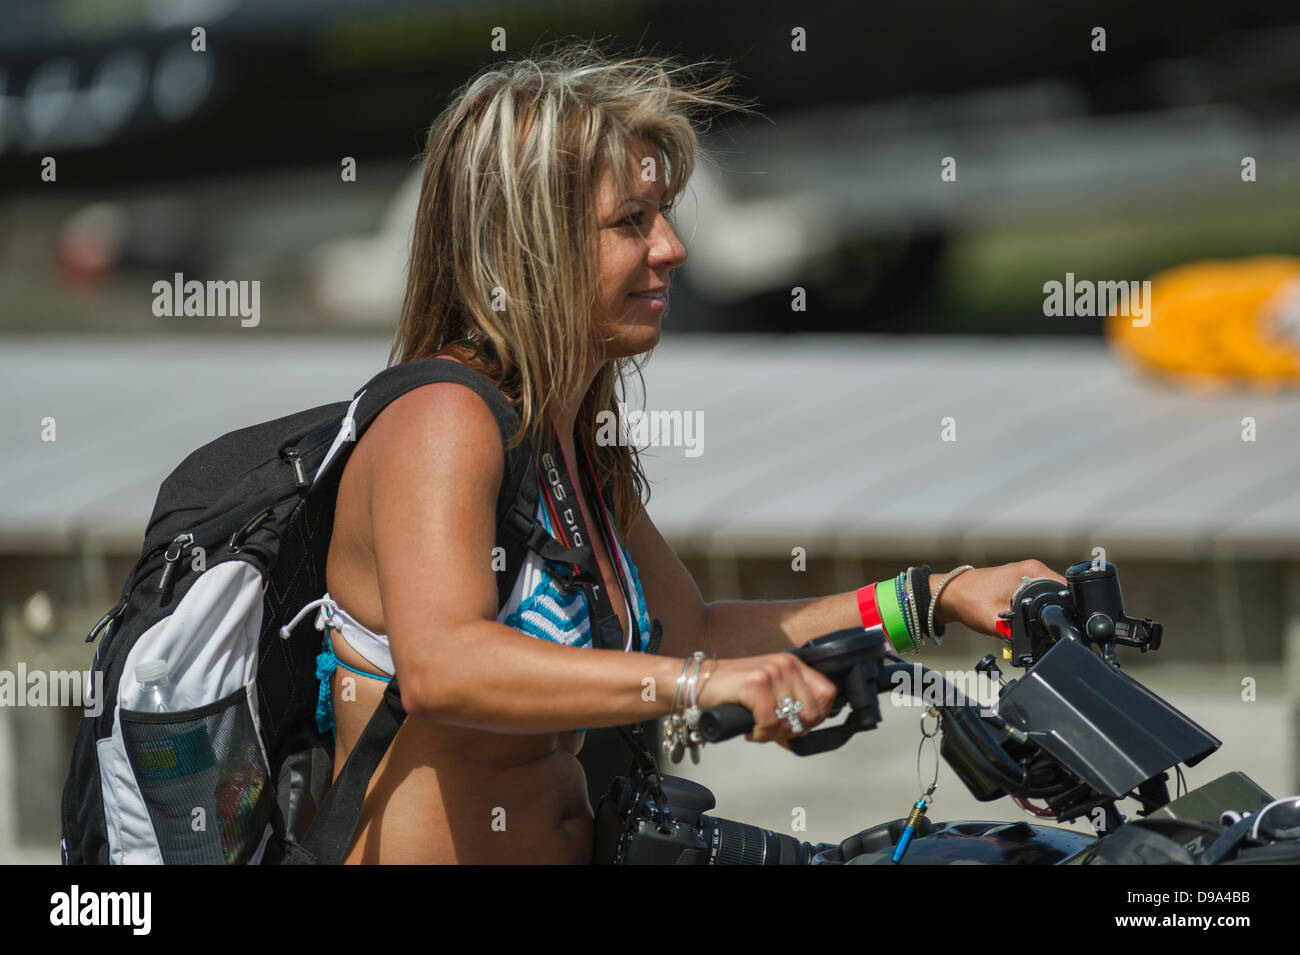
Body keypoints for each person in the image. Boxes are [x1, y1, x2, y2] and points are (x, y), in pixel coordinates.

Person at [305, 42, 1068, 864]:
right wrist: (695, 687)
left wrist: (934, 597)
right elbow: (442, 665)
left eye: (662, 214)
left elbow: (692, 631)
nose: (671, 247)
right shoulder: (442, 419)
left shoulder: (567, 436)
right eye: (631, 222)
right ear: (529, 246)